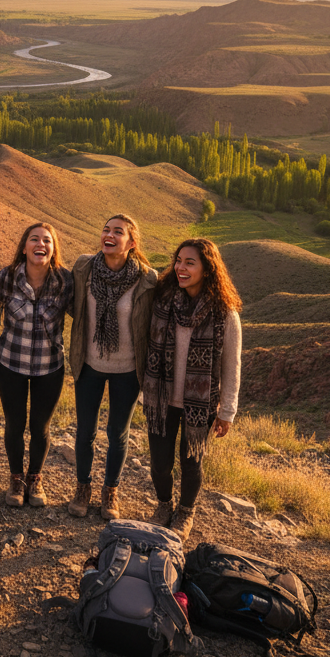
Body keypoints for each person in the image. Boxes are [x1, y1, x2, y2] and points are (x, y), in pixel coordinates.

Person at [143, 237, 242, 541]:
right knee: (159, 463)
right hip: (162, 399)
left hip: (199, 405)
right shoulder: (163, 303)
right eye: (178, 261)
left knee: (191, 463)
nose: (181, 268)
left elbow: (231, 366)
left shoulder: (224, 313)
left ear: (207, 268)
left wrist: (227, 411)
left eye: (190, 262)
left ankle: (185, 512)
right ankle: (164, 505)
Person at [67, 214, 158, 521]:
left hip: (128, 370)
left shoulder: (147, 279)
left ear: (131, 243)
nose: (108, 234)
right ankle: (82, 488)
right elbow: (68, 303)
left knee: (117, 433)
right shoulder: (84, 268)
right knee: (85, 432)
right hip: (89, 364)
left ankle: (111, 492)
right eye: (105, 229)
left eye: (117, 231)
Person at [0, 221, 74, 508]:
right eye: (34, 239)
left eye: (47, 241)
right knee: (14, 425)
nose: (41, 245)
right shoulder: (7, 277)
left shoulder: (65, 281)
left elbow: (83, 313)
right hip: (11, 363)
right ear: (24, 246)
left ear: (54, 249)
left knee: (40, 426)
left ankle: (35, 478)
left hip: (49, 367)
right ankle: (16, 480)